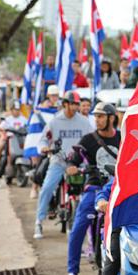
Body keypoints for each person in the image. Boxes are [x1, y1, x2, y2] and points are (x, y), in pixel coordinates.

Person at [62, 103, 120, 275]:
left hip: (118, 189)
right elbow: (74, 158)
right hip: (95, 188)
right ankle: (72, 274)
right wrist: (71, 166)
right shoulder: (88, 140)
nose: (97, 120)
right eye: (96, 116)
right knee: (79, 227)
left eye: (101, 116)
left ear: (111, 118)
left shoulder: (122, 138)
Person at [33, 92, 92, 240]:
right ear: (65, 104)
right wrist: (44, 147)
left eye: (77, 104)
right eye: (73, 104)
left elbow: (93, 138)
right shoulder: (55, 121)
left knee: (89, 189)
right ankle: (39, 221)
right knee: (47, 188)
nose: (76, 107)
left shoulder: (84, 122)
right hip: (58, 161)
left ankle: (89, 224)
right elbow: (43, 140)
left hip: (77, 162)